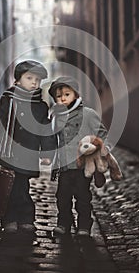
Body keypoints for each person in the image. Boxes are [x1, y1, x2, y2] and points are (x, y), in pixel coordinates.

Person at [0, 60, 56, 233]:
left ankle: (25, 218)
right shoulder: (8, 101)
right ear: (17, 80)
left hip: (27, 155)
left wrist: (47, 153)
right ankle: (9, 219)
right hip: (8, 153)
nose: (34, 82)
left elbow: (45, 131)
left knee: (21, 187)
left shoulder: (40, 106)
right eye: (29, 78)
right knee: (9, 187)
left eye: (37, 80)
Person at [48, 76, 111, 236]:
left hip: (82, 167)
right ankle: (63, 224)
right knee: (62, 198)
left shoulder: (88, 114)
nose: (62, 98)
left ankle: (84, 225)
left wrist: (101, 149)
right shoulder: (56, 118)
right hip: (64, 167)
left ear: (75, 95)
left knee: (83, 198)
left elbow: (102, 133)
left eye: (66, 94)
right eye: (58, 96)